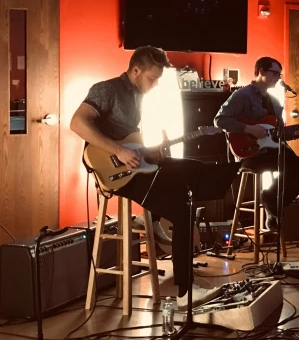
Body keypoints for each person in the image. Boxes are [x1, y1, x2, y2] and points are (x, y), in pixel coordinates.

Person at [70, 46, 201, 296]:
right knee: (182, 209)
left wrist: (151, 152)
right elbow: (77, 122)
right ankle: (185, 288)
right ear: (136, 70)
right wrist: (118, 151)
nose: (154, 85)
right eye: (152, 78)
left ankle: (150, 219)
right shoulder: (106, 89)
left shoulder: (137, 95)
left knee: (190, 169)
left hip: (132, 167)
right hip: (111, 170)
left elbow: (131, 141)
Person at [214, 56, 299, 231]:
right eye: (275, 73)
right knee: (293, 166)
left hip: (272, 151)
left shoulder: (275, 103)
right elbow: (219, 120)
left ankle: (272, 201)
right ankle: (270, 199)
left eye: (279, 74)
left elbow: (278, 135)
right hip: (251, 153)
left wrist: (297, 132)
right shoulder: (243, 95)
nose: (278, 77)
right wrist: (248, 129)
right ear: (261, 72)